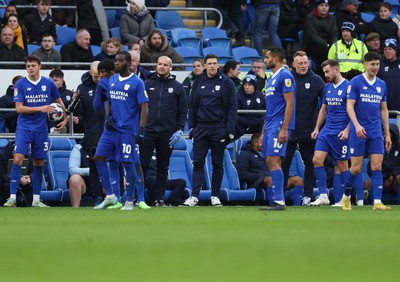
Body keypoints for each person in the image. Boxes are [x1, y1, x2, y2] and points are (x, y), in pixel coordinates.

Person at [4, 55, 67, 208]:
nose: (30, 68)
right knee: (18, 159)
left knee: (39, 162)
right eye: (28, 66)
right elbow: (19, 108)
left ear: (40, 66)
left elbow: (60, 102)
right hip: (24, 128)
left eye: (33, 65)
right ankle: (12, 197)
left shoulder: (48, 83)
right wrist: (40, 108)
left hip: (41, 129)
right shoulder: (21, 84)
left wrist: (64, 118)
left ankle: (37, 200)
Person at [93, 51, 150, 211]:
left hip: (127, 130)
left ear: (128, 63)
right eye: (115, 61)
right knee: (98, 157)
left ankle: (130, 201)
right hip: (111, 129)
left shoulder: (137, 82)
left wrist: (141, 129)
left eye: (119, 61)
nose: (116, 64)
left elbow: (144, 106)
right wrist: (107, 116)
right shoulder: (112, 80)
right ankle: (111, 196)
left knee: (128, 163)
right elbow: (110, 100)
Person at [181, 54, 237, 207]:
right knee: (198, 162)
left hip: (218, 128)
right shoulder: (198, 81)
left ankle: (215, 195)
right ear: (205, 66)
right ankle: (194, 196)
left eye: (215, 63)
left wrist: (228, 129)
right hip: (200, 128)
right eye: (209, 64)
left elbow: (233, 107)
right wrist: (192, 126)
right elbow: (192, 105)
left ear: (218, 65)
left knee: (217, 163)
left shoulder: (227, 82)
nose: (212, 66)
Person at [342, 51, 392, 211]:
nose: (375, 67)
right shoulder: (356, 82)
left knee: (377, 166)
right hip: (359, 131)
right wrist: (356, 125)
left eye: (377, 64)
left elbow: (383, 110)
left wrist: (387, 133)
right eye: (372, 64)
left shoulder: (381, 85)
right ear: (365, 64)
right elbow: (349, 106)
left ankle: (377, 202)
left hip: (375, 131)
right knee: (355, 168)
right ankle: (346, 196)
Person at [139, 56, 187, 206]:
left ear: (170, 68)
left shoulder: (178, 87)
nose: (161, 67)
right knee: (143, 165)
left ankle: (159, 199)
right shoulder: (146, 84)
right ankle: (138, 197)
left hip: (167, 133)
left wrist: (179, 129)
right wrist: (140, 127)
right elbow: (138, 107)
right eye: (159, 64)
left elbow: (182, 110)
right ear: (156, 65)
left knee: (162, 166)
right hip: (148, 130)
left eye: (165, 65)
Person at [280, 50, 324, 206]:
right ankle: (281, 196)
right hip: (289, 130)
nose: (304, 66)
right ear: (293, 64)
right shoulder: (287, 79)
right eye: (300, 63)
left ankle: (307, 195)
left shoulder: (317, 80)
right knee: (284, 163)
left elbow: (325, 104)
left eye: (306, 63)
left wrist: (320, 127)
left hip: (309, 130)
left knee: (310, 163)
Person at [309, 59, 350, 206]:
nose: (326, 75)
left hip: (341, 131)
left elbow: (355, 111)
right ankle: (323, 196)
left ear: (336, 70)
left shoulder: (349, 87)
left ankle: (345, 199)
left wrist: (347, 129)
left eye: (327, 71)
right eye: (324, 72)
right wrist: (317, 128)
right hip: (326, 130)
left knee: (342, 165)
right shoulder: (327, 88)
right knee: (316, 160)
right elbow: (323, 109)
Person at [259, 47, 295, 211]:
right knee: (271, 160)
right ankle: (278, 200)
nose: (265, 60)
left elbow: (290, 103)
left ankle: (279, 201)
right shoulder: (271, 78)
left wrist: (285, 128)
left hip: (279, 124)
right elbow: (270, 108)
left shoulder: (285, 75)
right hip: (270, 125)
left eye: (267, 57)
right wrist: (262, 132)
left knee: (273, 160)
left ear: (276, 58)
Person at [237, 133, 303, 206]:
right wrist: (260, 176)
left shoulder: (270, 154)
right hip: (258, 182)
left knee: (298, 180)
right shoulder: (245, 154)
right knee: (271, 180)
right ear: (256, 143)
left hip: (272, 177)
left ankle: (297, 206)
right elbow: (242, 174)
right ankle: (273, 205)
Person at [303, 0, 338, 75]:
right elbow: (312, 36)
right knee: (324, 52)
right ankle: (322, 75)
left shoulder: (332, 18)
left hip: (327, 44)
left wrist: (333, 45)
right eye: (321, 5)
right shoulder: (309, 17)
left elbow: (334, 33)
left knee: (336, 50)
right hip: (312, 44)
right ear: (317, 7)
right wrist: (325, 44)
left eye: (326, 6)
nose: (324, 8)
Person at [68, 142, 104, 207]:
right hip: (85, 183)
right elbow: (72, 170)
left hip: (102, 182)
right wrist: (92, 171)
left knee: (121, 179)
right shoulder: (78, 148)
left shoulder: (107, 147)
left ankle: (117, 207)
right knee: (75, 179)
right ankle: (75, 209)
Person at [235, 74, 265, 139]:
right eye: (245, 85)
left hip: (258, 124)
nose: (247, 87)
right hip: (243, 124)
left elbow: (264, 110)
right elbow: (236, 113)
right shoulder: (238, 96)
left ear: (254, 86)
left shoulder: (260, 95)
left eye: (249, 85)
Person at [378, 39, 400, 112]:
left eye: (390, 49)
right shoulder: (379, 65)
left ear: (395, 50)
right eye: (385, 49)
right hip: (385, 107)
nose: (387, 51)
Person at [49, 68, 73, 133]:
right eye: (51, 81)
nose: (53, 83)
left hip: (65, 122)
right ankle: (53, 130)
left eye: (55, 80)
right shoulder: (45, 94)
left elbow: (79, 113)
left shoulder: (70, 94)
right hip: (48, 123)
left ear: (62, 81)